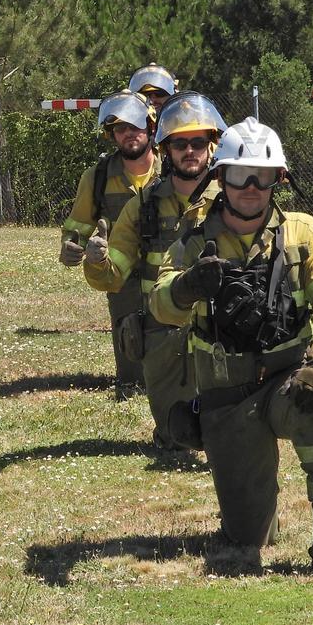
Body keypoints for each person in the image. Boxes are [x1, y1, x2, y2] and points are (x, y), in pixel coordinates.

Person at [149, 117, 313, 583]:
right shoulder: (194, 239)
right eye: (239, 174)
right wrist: (187, 287)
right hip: (227, 397)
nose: (251, 186)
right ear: (220, 177)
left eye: (262, 176)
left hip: (290, 380)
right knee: (249, 538)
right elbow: (160, 306)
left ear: (278, 180)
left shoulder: (304, 234)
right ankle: (245, 502)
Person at [83, 91, 227, 446]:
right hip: (163, 333)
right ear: (165, 148)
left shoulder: (231, 200)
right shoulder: (142, 206)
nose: (189, 151)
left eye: (198, 141)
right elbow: (113, 275)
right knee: (175, 435)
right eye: (180, 144)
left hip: (222, 329)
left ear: (212, 146)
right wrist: (97, 261)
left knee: (228, 429)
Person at [60, 90, 160, 401]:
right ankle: (131, 378)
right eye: (120, 128)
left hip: (167, 267)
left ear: (151, 127)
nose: (129, 134)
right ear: (112, 135)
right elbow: (77, 225)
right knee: (132, 370)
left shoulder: (172, 169)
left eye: (135, 126)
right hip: (121, 273)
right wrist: (71, 248)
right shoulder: (99, 176)